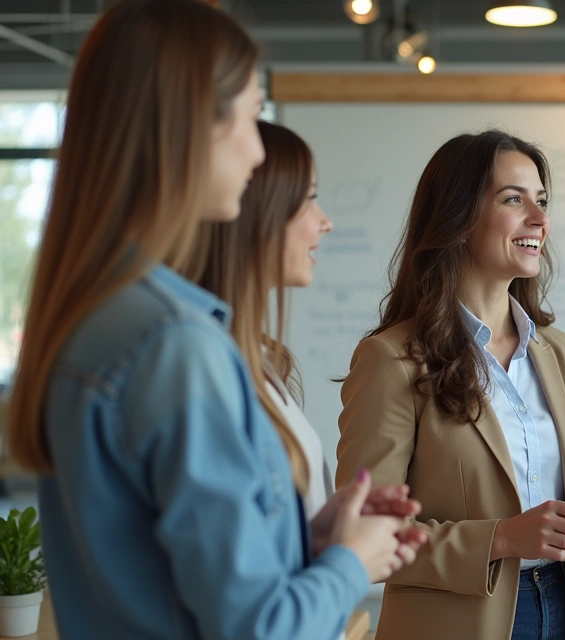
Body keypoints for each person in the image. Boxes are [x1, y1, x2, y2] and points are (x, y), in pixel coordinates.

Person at [5, 1, 419, 637]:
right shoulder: (176, 345)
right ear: (186, 123)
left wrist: (307, 539)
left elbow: (155, 574)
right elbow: (259, 629)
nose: (257, 152)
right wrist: (349, 561)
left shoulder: (98, 318)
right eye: (253, 115)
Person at [336, 129, 565, 639]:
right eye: (514, 199)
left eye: (542, 201)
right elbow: (365, 535)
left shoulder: (562, 353)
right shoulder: (391, 359)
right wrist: (502, 539)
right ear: (459, 220)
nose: (540, 219)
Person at [195, 119, 430, 640]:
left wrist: (320, 533)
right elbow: (247, 615)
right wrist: (348, 560)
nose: (324, 223)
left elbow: (253, 540)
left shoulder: (259, 361)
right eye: (307, 202)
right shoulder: (204, 369)